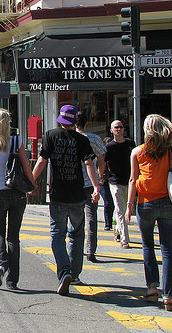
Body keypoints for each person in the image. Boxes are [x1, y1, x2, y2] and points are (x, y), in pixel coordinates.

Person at [32, 105, 100, 296]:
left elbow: (42, 161)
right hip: (77, 195)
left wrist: (32, 182)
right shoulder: (82, 140)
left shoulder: (50, 135)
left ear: (60, 120)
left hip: (58, 195)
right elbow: (89, 163)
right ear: (75, 121)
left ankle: (64, 271)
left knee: (57, 234)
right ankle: (74, 274)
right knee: (77, 234)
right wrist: (96, 187)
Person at [125, 114, 172, 311]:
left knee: (148, 246)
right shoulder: (170, 151)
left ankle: (152, 288)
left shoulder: (137, 152)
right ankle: (168, 295)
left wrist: (129, 205)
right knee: (167, 249)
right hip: (167, 203)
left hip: (145, 203)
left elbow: (133, 180)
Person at [0, 109, 34, 290]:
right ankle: (12, 281)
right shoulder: (17, 141)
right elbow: (26, 167)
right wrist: (33, 185)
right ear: (9, 123)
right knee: (14, 236)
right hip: (17, 192)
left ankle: (1, 265)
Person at [76, 112, 107, 263]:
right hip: (90, 182)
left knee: (75, 218)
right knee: (91, 218)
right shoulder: (94, 139)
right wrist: (100, 177)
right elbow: (101, 160)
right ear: (87, 123)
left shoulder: (71, 138)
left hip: (74, 182)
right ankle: (91, 250)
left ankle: (76, 247)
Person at [105, 120, 136, 248]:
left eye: (121, 127)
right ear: (111, 130)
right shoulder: (109, 147)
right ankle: (125, 239)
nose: (119, 129)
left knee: (127, 210)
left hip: (129, 181)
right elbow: (104, 163)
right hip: (115, 182)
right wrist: (103, 177)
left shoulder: (130, 144)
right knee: (120, 210)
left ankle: (117, 229)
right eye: (116, 127)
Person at [101, 137, 115, 232]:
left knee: (112, 203)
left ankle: (111, 222)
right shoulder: (102, 156)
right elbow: (99, 166)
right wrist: (101, 176)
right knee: (108, 202)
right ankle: (108, 224)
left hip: (113, 180)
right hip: (104, 181)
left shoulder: (114, 156)